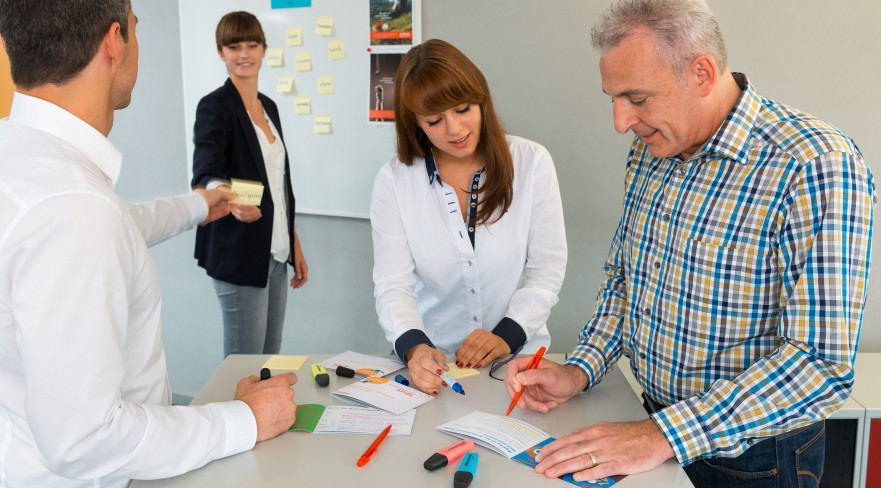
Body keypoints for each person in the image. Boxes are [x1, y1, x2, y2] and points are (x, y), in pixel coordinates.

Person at [503, 1, 875, 487]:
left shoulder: (816, 164)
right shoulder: (651, 149)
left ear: (701, 73)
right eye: (612, 98)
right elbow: (626, 279)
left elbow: (820, 365)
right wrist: (581, 368)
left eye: (637, 98)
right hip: (650, 425)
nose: (620, 121)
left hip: (754, 457)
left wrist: (659, 435)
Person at [0, 1, 298, 486]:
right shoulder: (73, 206)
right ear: (115, 41)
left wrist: (200, 205)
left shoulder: (25, 160)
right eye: (137, 29)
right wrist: (243, 420)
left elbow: (118, 225)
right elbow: (85, 439)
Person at [371, 39, 567, 395]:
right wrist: (415, 347)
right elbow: (392, 284)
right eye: (434, 120)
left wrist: (507, 335)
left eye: (463, 109)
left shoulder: (532, 162)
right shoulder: (395, 180)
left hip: (517, 361)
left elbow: (546, 269)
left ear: (481, 100)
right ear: (415, 123)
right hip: (435, 366)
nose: (455, 130)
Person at [192, 11, 308, 357]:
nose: (244, 54)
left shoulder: (269, 106)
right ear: (221, 53)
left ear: (263, 49)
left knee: (269, 354)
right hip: (239, 250)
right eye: (234, 46)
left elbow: (278, 186)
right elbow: (206, 173)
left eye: (252, 44)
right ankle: (234, 414)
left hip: (275, 250)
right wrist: (235, 199)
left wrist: (294, 242)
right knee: (243, 364)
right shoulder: (215, 107)